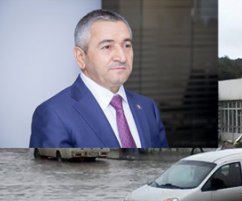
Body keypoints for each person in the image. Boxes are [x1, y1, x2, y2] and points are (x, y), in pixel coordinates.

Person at [29, 9, 168, 148]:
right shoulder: (54, 114)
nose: (122, 57)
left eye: (127, 45)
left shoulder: (147, 107)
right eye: (107, 46)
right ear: (81, 57)